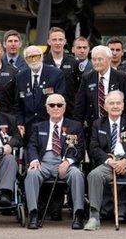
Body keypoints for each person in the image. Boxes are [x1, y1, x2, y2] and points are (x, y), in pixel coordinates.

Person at [84, 91, 126, 231]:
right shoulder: (98, 124)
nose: (115, 106)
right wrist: (108, 160)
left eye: (118, 103)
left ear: (123, 105)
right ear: (105, 106)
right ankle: (94, 216)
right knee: (94, 175)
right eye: (111, 103)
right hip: (108, 163)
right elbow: (93, 147)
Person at [24, 93, 86, 229]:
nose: (56, 108)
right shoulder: (38, 126)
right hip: (44, 163)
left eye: (59, 105)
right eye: (52, 105)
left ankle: (78, 214)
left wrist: (68, 162)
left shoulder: (74, 126)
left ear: (64, 108)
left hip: (65, 163)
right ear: (47, 108)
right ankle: (33, 214)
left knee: (77, 174)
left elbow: (79, 148)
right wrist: (34, 160)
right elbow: (32, 146)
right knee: (32, 174)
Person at [73, 44, 126, 127]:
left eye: (100, 59)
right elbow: (79, 108)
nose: (96, 62)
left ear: (109, 60)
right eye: (94, 59)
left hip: (119, 128)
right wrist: (77, 131)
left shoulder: (124, 78)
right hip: (94, 129)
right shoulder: (87, 78)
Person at [16, 45, 68, 130]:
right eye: (30, 57)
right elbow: (18, 105)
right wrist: (20, 124)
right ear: (25, 60)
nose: (33, 60)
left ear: (42, 57)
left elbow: (60, 101)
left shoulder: (56, 74)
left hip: (49, 125)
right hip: (28, 127)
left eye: (36, 56)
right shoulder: (20, 77)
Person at [44, 27, 82, 108]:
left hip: (70, 109)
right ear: (49, 42)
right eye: (54, 40)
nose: (58, 43)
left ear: (65, 42)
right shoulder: (43, 62)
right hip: (47, 109)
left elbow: (79, 89)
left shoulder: (74, 63)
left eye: (60, 40)